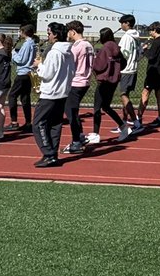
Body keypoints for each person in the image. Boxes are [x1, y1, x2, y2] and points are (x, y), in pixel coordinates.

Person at [32, 22, 72, 167]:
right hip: (62, 92)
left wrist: (39, 66)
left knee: (38, 124)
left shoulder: (55, 52)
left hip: (50, 93)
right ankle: (53, 153)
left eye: (49, 33)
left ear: (55, 35)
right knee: (55, 124)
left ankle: (48, 154)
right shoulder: (69, 51)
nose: (47, 36)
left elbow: (47, 74)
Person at [89, 27, 130, 144]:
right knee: (106, 106)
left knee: (97, 107)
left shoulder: (105, 48)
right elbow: (124, 62)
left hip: (104, 81)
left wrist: (93, 60)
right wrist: (115, 70)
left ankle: (96, 133)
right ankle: (123, 127)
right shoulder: (116, 47)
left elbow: (99, 66)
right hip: (114, 81)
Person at [61, 20, 94, 155]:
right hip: (85, 81)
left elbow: (70, 63)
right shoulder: (89, 45)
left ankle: (76, 142)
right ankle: (80, 136)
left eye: (69, 32)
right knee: (73, 112)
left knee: (71, 113)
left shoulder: (77, 46)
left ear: (72, 32)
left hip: (76, 81)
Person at [6, 24, 36, 132]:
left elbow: (20, 60)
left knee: (12, 96)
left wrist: (13, 52)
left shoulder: (27, 44)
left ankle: (14, 122)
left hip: (23, 74)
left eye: (20, 31)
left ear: (24, 32)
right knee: (25, 98)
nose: (19, 33)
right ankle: (28, 122)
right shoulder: (32, 43)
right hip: (28, 74)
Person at [137, 22, 160, 127]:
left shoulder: (156, 42)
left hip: (154, 72)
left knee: (145, 93)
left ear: (155, 30)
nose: (149, 32)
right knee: (159, 94)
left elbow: (151, 56)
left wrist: (145, 49)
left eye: (150, 30)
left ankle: (139, 117)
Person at [116, 14, 141, 132]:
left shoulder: (127, 37)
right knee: (125, 96)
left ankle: (135, 122)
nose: (121, 25)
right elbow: (140, 53)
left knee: (123, 95)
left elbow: (123, 54)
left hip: (126, 69)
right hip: (133, 68)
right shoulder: (136, 37)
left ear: (127, 23)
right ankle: (124, 122)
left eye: (122, 23)